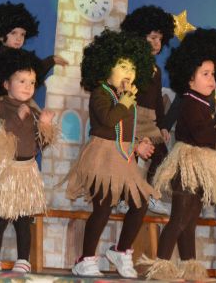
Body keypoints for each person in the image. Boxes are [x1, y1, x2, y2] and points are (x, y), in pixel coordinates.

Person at [143, 28, 216, 281]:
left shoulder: (202, 102)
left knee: (189, 222)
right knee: (178, 220)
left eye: (213, 74)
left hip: (199, 168)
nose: (212, 80)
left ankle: (190, 267)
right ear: (189, 78)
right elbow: (200, 134)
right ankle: (161, 266)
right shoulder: (189, 102)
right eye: (205, 74)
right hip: (188, 167)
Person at [65, 30, 156, 278]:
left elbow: (124, 131)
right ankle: (85, 259)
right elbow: (108, 120)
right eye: (122, 65)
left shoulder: (127, 98)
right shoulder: (101, 92)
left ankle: (121, 251)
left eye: (133, 67)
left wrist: (138, 145)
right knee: (103, 208)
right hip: (101, 157)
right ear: (106, 66)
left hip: (123, 158)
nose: (129, 72)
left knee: (140, 203)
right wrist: (125, 102)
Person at [0, 48, 58, 274]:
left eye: (32, 82)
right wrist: (17, 116)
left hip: (26, 171)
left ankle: (23, 259)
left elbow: (40, 145)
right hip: (6, 170)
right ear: (6, 84)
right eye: (22, 81)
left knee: (23, 219)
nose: (28, 86)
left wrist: (45, 126)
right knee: (0, 216)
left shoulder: (34, 111)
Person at [120, 5, 176, 214]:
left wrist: (162, 125)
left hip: (150, 120)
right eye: (152, 37)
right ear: (139, 36)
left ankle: (150, 193)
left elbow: (158, 101)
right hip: (132, 117)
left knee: (161, 155)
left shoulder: (156, 70)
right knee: (130, 158)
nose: (157, 43)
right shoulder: (129, 65)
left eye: (160, 39)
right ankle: (124, 197)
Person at [0, 1, 67, 81]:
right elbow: (33, 72)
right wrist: (51, 60)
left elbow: (35, 71)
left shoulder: (18, 54)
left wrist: (52, 60)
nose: (19, 38)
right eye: (13, 33)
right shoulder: (6, 57)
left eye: (22, 34)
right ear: (0, 36)